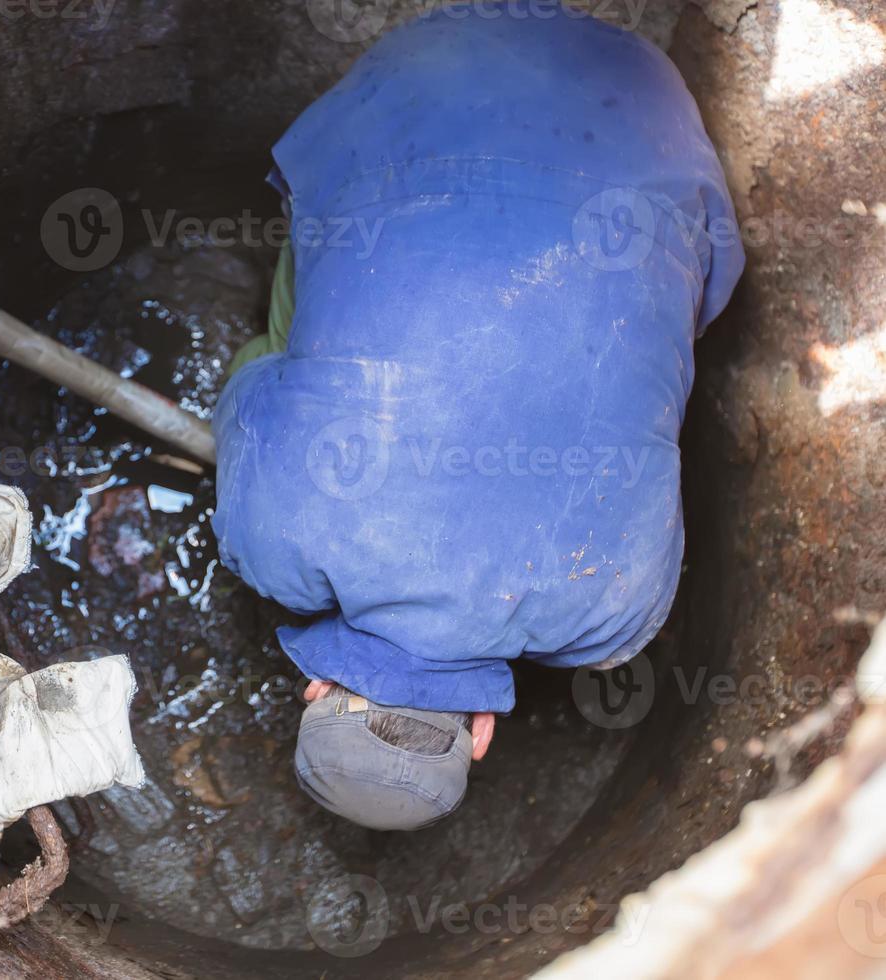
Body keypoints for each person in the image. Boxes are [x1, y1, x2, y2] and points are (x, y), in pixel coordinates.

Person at [213, 6, 744, 831]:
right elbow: (246, 389)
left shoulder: (614, 616)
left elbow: (648, 447)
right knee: (280, 355)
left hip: (650, 116)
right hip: (422, 76)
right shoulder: (270, 544)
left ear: (483, 731)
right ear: (317, 690)